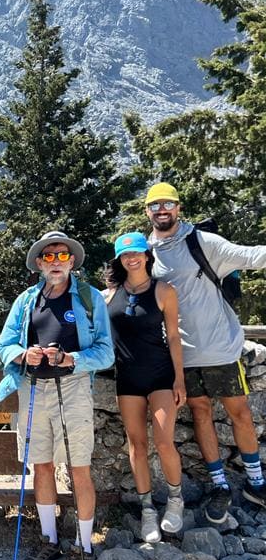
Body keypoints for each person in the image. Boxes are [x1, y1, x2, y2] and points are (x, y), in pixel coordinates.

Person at [0, 231, 114, 560]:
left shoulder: (91, 299)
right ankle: (50, 539)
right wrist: (22, 354)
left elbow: (107, 352)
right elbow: (4, 344)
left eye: (62, 256)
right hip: (33, 388)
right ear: (39, 264)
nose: (56, 262)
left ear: (72, 262)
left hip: (73, 388)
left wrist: (71, 359)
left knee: (79, 468)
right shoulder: (27, 301)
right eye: (49, 257)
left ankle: (83, 546)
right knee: (41, 466)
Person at [145, 183, 266, 524]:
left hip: (221, 348)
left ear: (178, 208)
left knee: (240, 413)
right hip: (183, 356)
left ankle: (256, 482)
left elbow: (252, 255)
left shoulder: (202, 242)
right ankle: (219, 485)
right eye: (155, 206)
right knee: (200, 414)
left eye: (167, 204)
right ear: (148, 212)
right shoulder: (147, 251)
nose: (162, 210)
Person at [104, 232, 186, 541]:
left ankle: (175, 501)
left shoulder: (164, 290)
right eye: (125, 255)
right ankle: (148, 510)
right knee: (137, 446)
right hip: (128, 378)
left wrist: (180, 378)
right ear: (120, 260)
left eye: (137, 253)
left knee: (164, 441)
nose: (132, 259)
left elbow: (175, 337)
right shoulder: (108, 296)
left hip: (161, 375)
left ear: (147, 255)